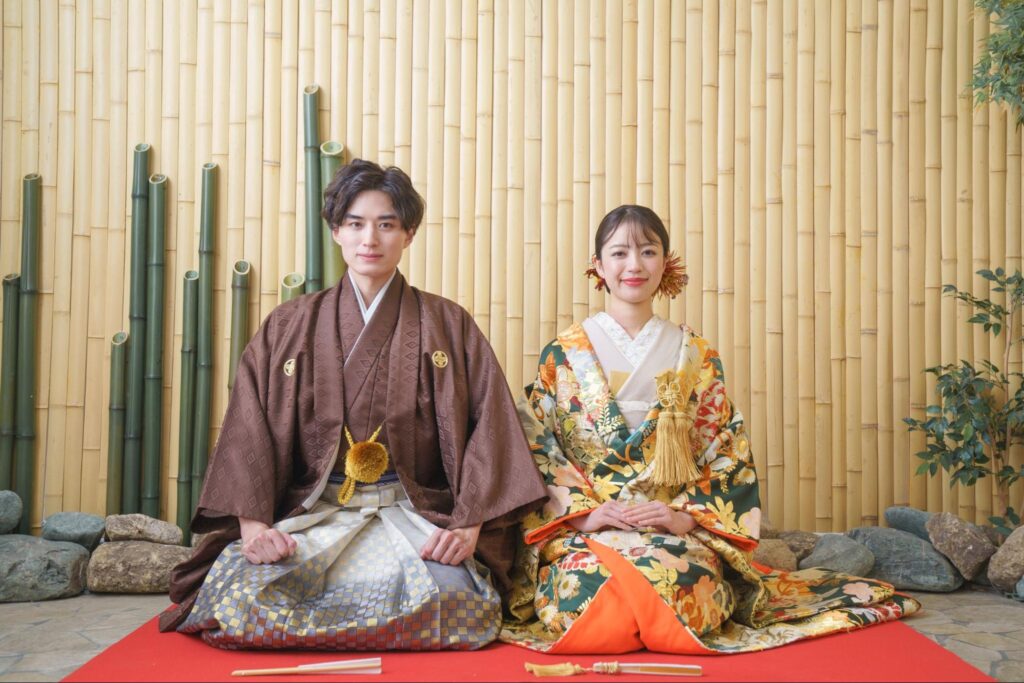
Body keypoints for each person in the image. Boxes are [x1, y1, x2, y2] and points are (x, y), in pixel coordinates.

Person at [159, 159, 547, 650]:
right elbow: (247, 429)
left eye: (386, 224)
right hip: (315, 514)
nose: (370, 239)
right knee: (239, 599)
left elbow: (490, 425)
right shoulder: (289, 324)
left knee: (457, 603)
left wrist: (468, 527)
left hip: (412, 515)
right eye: (356, 223)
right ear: (336, 230)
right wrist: (255, 529)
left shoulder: (448, 323)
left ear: (408, 234)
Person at [501, 205, 919, 654]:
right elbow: (538, 448)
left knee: (685, 587)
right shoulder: (563, 354)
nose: (634, 264)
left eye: (648, 251)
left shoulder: (695, 355)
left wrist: (683, 516)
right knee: (586, 593)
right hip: (590, 530)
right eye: (619, 253)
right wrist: (585, 515)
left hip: (672, 529)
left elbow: (725, 447)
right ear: (599, 266)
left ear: (665, 262)